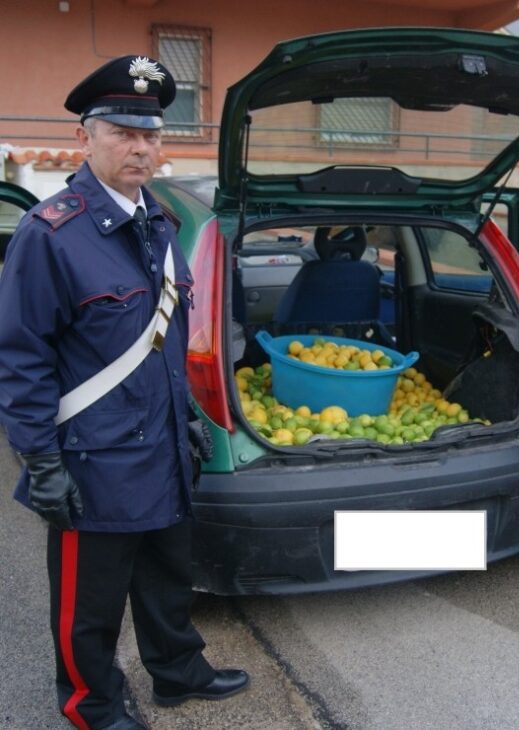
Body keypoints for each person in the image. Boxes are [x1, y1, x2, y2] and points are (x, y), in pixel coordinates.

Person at [0, 56, 249, 729]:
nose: (141, 147)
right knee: (91, 603)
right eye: (122, 132)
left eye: (151, 134)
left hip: (163, 445)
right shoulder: (50, 234)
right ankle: (92, 705)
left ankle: (176, 671)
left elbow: (162, 340)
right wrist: (40, 461)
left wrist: (189, 418)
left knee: (169, 576)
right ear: (86, 136)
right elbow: (21, 359)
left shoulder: (158, 224)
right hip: (94, 459)